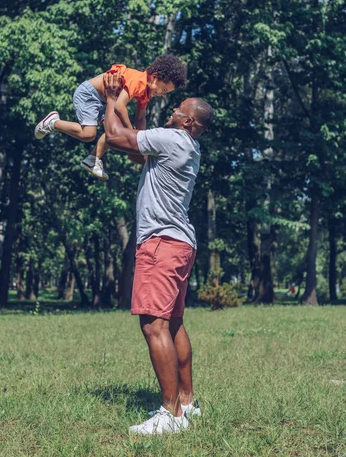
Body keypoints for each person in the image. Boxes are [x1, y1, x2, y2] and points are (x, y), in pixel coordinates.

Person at [103, 71, 213, 435]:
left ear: (190, 123)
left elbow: (117, 139)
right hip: (180, 243)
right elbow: (138, 153)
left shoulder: (174, 139)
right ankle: (186, 403)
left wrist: (111, 97)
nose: (173, 111)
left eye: (178, 110)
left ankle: (170, 416)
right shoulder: (183, 146)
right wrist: (140, 110)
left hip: (161, 243)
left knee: (154, 324)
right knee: (174, 322)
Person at [34, 54, 187, 180]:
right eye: (164, 89)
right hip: (89, 94)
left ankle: (92, 160)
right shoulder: (138, 81)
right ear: (154, 78)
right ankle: (54, 122)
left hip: (104, 100)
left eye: (166, 93)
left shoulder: (146, 92)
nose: (161, 94)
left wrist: (141, 141)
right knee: (88, 134)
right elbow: (120, 106)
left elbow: (140, 119)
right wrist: (130, 131)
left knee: (114, 132)